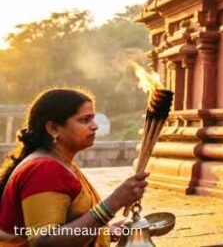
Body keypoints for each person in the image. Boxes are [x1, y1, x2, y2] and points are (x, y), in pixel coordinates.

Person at [0, 89, 149, 246]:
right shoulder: (44, 170)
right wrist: (114, 202)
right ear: (53, 129)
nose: (95, 126)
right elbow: (44, 241)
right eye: (85, 120)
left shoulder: (61, 163)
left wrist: (102, 231)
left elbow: (66, 225)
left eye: (93, 118)